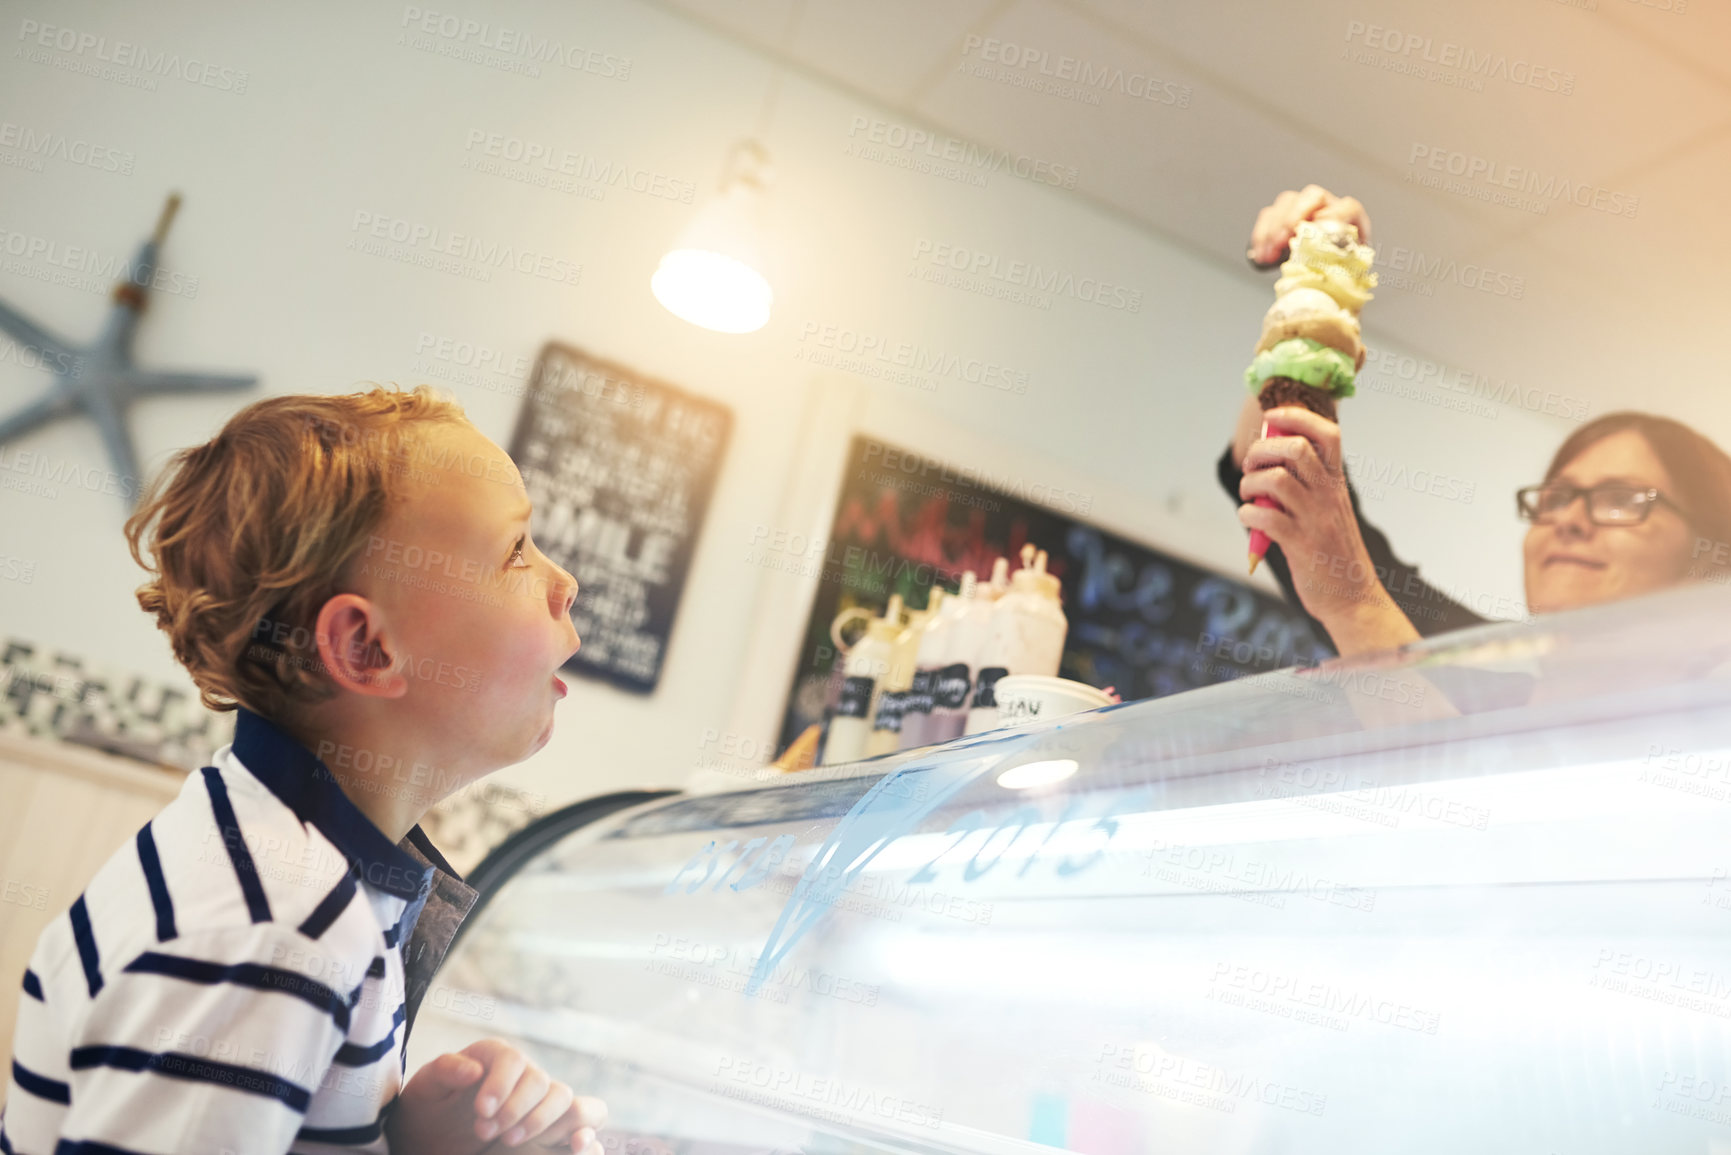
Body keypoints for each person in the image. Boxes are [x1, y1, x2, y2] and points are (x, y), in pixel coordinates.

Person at [2, 386, 604, 1153]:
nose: (565, 582)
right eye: (515, 550)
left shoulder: (283, 865)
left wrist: (406, 1139)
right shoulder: (275, 932)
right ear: (363, 648)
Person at [1225, 186, 1731, 659]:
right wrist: (1323, 284)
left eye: (1621, 501)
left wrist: (1355, 604)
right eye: (1555, 498)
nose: (1571, 521)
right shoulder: (1473, 662)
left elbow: (1445, 736)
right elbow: (1279, 484)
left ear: (1712, 558)